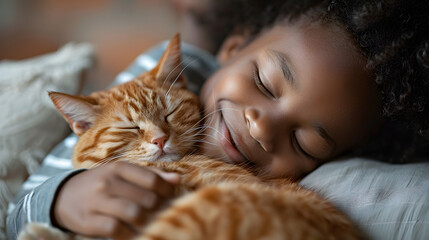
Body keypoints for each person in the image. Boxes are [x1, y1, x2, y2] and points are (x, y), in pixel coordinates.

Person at [7, 0, 429, 239]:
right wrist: (64, 195)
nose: (262, 128)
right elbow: (19, 208)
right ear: (230, 51)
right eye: (264, 83)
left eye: (305, 144)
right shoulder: (172, 73)